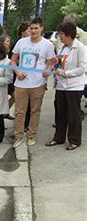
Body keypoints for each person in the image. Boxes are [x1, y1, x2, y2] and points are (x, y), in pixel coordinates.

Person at [10, 17, 56, 148]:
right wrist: (18, 72)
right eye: (31, 28)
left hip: (38, 83)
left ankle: (31, 135)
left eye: (36, 28)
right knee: (19, 112)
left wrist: (47, 71)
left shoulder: (47, 45)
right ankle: (18, 136)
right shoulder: (21, 42)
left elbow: (50, 62)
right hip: (21, 83)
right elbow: (13, 61)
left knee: (35, 111)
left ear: (41, 28)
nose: (33, 31)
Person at [46, 22, 86, 150]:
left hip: (74, 86)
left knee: (73, 114)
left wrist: (66, 73)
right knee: (60, 112)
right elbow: (62, 63)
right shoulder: (63, 47)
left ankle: (74, 140)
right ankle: (58, 137)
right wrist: (56, 64)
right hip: (61, 85)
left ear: (69, 34)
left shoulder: (81, 47)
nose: (59, 37)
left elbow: (83, 68)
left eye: (61, 34)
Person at [8, 22, 31, 122]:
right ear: (23, 32)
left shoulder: (30, 43)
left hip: (29, 75)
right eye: (29, 30)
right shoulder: (18, 43)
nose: (31, 32)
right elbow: (11, 59)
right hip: (16, 73)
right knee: (16, 96)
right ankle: (4, 111)